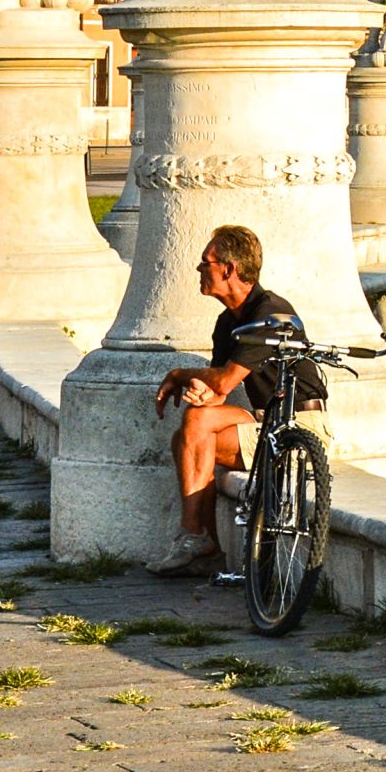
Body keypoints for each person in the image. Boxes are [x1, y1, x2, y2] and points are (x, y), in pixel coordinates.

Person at [147, 226, 326, 577]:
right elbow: (219, 391)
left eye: (205, 263)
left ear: (228, 269)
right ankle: (202, 542)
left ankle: (195, 537)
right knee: (191, 428)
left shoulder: (271, 315)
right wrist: (201, 391)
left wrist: (181, 375)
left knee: (195, 427)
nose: (199, 270)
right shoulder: (227, 322)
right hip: (266, 421)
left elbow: (227, 378)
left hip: (302, 427)